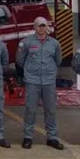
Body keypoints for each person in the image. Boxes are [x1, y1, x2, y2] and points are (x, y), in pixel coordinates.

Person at [15, 16, 64, 150]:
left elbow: (58, 60)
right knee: (30, 109)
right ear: (34, 27)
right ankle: (28, 137)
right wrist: (30, 70)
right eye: (39, 26)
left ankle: (52, 138)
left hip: (48, 81)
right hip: (32, 81)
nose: (42, 28)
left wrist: (49, 71)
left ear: (47, 27)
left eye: (44, 25)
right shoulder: (26, 42)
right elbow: (20, 60)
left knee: (50, 110)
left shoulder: (54, 44)